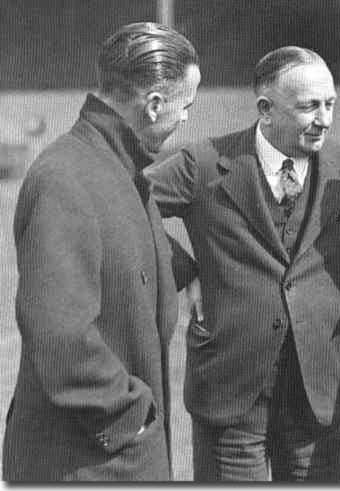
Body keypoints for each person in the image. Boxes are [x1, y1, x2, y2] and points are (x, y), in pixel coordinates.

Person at [145, 46, 340, 482]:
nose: (324, 118)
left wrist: (335, 278)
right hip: (231, 386)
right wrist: (186, 272)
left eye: (330, 105)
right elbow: (131, 205)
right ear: (266, 110)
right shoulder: (205, 164)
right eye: (309, 107)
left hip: (317, 389)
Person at [3, 22, 201, 481]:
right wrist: (130, 417)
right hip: (86, 460)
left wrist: (197, 271)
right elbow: (58, 335)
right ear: (153, 105)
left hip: (108, 456)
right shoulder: (65, 177)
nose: (187, 118)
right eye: (185, 106)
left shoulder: (115, 167)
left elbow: (130, 248)